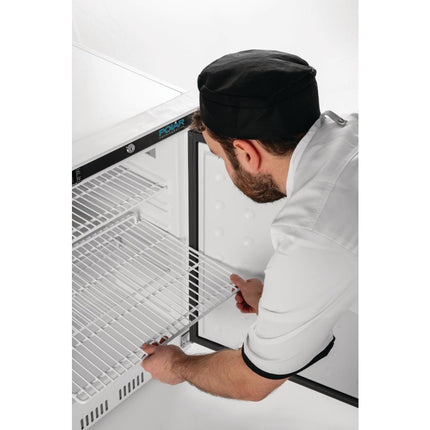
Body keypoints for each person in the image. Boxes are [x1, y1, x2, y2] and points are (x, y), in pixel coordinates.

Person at [141, 49, 358, 401]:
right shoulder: (355, 133)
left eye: (219, 156)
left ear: (246, 153)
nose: (226, 170)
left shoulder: (313, 233)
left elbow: (250, 382)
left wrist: (177, 365)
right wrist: (279, 301)